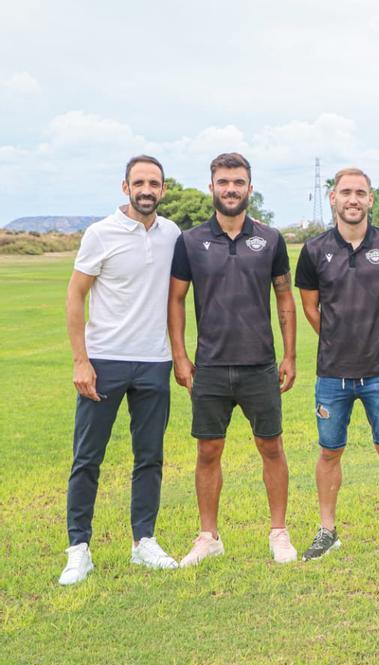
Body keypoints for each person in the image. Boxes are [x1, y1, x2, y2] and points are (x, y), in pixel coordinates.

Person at [168, 152, 298, 566]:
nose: (230, 189)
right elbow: (175, 299)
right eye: (223, 182)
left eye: (238, 182)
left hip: (259, 363)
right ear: (212, 187)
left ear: (249, 188)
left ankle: (279, 532)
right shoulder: (189, 241)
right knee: (208, 451)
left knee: (271, 447)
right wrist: (180, 356)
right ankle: (209, 536)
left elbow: (284, 297)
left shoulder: (271, 239)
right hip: (209, 365)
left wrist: (290, 354)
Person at [60, 155, 182, 585]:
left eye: (154, 183)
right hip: (105, 360)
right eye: (139, 182)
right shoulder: (100, 234)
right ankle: (79, 549)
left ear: (163, 189)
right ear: (124, 186)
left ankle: (143, 542)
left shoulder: (172, 235)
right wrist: (81, 360)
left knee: (149, 457)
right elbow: (76, 296)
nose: (146, 189)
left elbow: (176, 299)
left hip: (154, 361)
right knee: (87, 458)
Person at [294, 168, 379, 560]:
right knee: (330, 451)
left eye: (360, 192)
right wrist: (340, 337)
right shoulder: (314, 250)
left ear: (370, 199)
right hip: (332, 373)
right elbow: (311, 308)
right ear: (333, 197)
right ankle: (327, 530)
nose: (353, 199)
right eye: (346, 192)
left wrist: (371, 334)